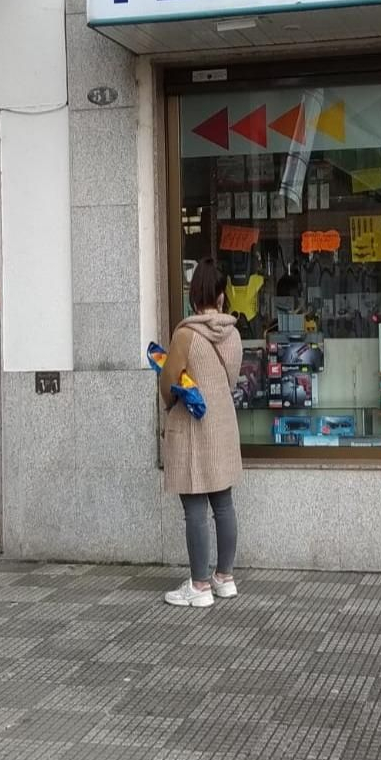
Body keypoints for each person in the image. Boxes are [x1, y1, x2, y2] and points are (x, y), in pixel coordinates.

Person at [158, 258, 243, 608]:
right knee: (223, 504)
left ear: (194, 295)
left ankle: (199, 585)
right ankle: (225, 577)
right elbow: (231, 381)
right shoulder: (234, 334)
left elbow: (168, 383)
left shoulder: (185, 335)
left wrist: (171, 403)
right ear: (221, 295)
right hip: (223, 425)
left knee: (194, 507)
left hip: (192, 428)